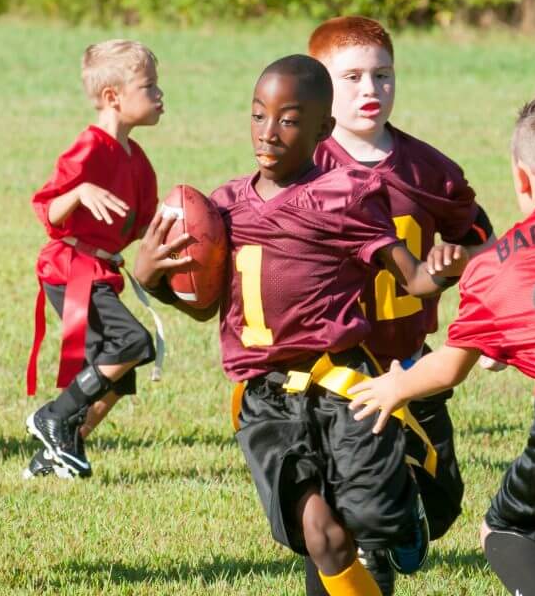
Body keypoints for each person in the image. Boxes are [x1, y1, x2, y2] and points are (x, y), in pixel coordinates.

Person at [133, 54, 466, 596]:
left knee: (371, 522)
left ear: (323, 130)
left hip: (343, 384)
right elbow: (203, 307)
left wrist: (442, 272)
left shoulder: (347, 197)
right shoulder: (225, 206)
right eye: (258, 115)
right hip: (264, 399)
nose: (268, 133)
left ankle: (405, 500)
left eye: (288, 120)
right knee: (320, 534)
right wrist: (151, 277)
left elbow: (413, 281)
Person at [348, 83, 535, 596]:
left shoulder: (495, 264)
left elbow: (450, 369)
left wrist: (394, 388)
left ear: (521, 179)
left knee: (506, 530)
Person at [304, 16, 495, 594]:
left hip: (412, 358)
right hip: (340, 369)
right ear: (320, 86)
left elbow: (481, 239)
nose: (370, 90)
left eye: (382, 75)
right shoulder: (305, 167)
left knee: (441, 503)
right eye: (353, 77)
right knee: (348, 513)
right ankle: (370, 550)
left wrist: (455, 261)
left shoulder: (428, 168)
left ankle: (400, 521)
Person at [24, 39, 164, 479]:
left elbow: (143, 227)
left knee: (118, 372)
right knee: (132, 343)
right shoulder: (89, 148)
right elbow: (47, 211)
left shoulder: (137, 160)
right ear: (113, 97)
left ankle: (56, 455)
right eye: (150, 86)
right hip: (70, 272)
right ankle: (53, 417)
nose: (161, 95)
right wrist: (78, 191)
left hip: (101, 271)